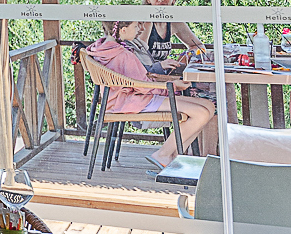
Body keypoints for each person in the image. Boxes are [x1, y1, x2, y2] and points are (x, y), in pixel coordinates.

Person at [88, 21, 216, 170]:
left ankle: (174, 157)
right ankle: (163, 154)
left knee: (209, 106)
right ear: (123, 30)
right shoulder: (123, 54)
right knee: (201, 114)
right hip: (134, 100)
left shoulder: (102, 47)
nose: (138, 31)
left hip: (124, 99)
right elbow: (143, 86)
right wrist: (172, 86)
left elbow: (138, 81)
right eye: (135, 27)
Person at [118, 0, 201, 60]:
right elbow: (140, 56)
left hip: (164, 71)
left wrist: (187, 55)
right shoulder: (142, 23)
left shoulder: (175, 23)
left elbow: (198, 46)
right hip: (145, 71)